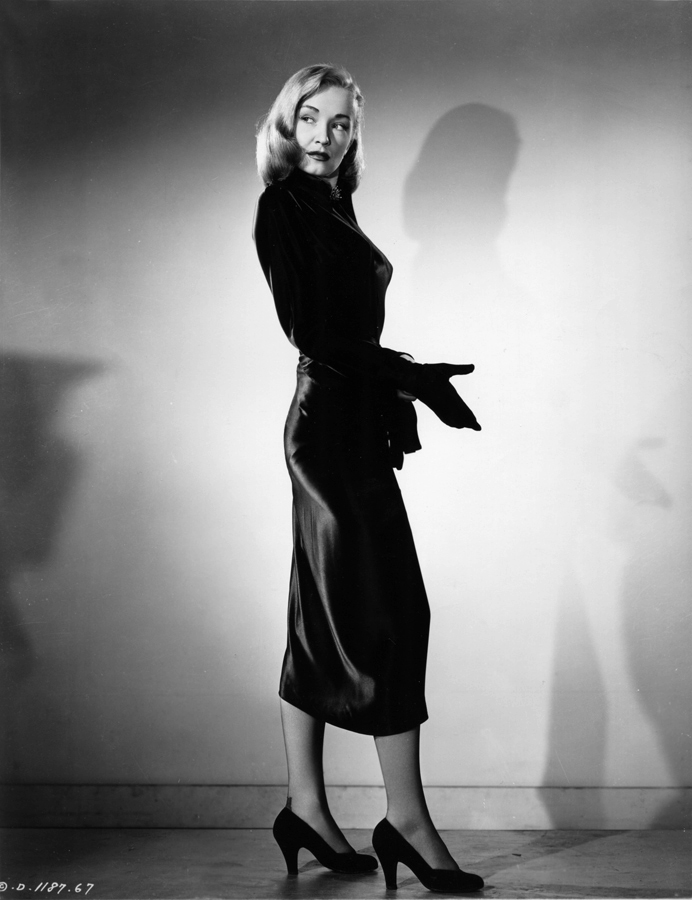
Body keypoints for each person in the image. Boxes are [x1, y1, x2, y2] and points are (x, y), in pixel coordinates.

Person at [253, 64, 484, 893]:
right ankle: (407, 822)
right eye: (311, 118)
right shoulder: (284, 205)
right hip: (323, 434)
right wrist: (407, 375)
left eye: (342, 122)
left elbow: (348, 331)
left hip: (350, 428)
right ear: (286, 124)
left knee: (321, 611)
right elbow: (312, 333)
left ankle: (306, 807)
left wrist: (400, 382)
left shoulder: (332, 203)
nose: (326, 135)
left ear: (356, 134)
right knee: (391, 614)